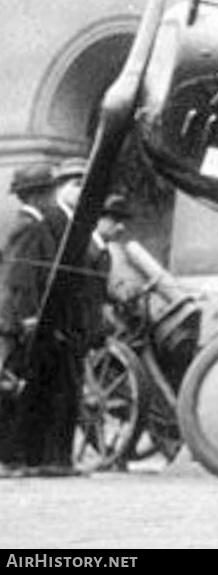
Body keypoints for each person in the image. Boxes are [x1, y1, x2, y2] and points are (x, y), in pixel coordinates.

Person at [0, 159, 108, 476]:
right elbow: (22, 277)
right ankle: (22, 458)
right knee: (20, 389)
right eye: (51, 189)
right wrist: (30, 317)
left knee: (45, 390)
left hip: (53, 320)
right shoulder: (33, 226)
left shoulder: (46, 223)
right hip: (31, 321)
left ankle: (45, 458)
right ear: (39, 195)